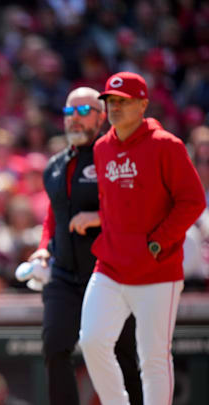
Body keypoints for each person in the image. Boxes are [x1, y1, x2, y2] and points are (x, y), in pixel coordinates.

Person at [78, 72, 206, 404]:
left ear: (143, 104)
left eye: (123, 101)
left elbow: (193, 201)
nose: (115, 108)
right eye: (110, 101)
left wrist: (157, 243)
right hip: (111, 265)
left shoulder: (167, 145)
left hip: (157, 269)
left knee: (153, 358)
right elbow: (116, 205)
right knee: (91, 340)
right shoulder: (102, 147)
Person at [27, 87, 142, 404]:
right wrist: (42, 248)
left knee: (126, 354)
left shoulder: (116, 156)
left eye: (82, 112)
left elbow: (136, 207)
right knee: (55, 347)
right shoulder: (54, 165)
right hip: (63, 275)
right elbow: (55, 214)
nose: (74, 120)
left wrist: (98, 216)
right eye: (68, 113)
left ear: (101, 116)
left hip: (109, 274)